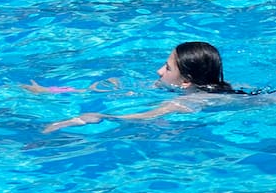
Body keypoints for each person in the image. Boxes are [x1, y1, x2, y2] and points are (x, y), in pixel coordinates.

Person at [40, 42, 241, 133]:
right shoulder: (198, 84)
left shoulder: (186, 101)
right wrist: (54, 92)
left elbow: (144, 117)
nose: (158, 71)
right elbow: (133, 87)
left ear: (186, 81)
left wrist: (102, 117)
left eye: (167, 68)